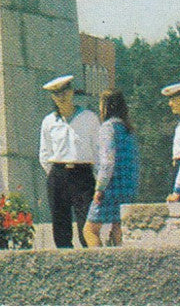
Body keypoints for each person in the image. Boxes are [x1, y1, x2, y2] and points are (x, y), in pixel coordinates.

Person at [39, 74, 100, 248]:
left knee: (85, 227)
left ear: (72, 92)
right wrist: (55, 174)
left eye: (65, 91)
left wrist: (98, 179)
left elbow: (97, 150)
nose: (61, 96)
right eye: (57, 94)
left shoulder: (89, 118)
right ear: (52, 97)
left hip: (83, 175)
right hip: (58, 174)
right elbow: (45, 153)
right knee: (61, 227)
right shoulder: (49, 121)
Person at [83, 89, 140, 247]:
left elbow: (107, 162)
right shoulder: (129, 131)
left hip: (110, 188)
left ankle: (101, 265)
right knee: (118, 230)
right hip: (128, 188)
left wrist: (99, 188)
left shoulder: (108, 128)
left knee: (90, 230)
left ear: (105, 107)